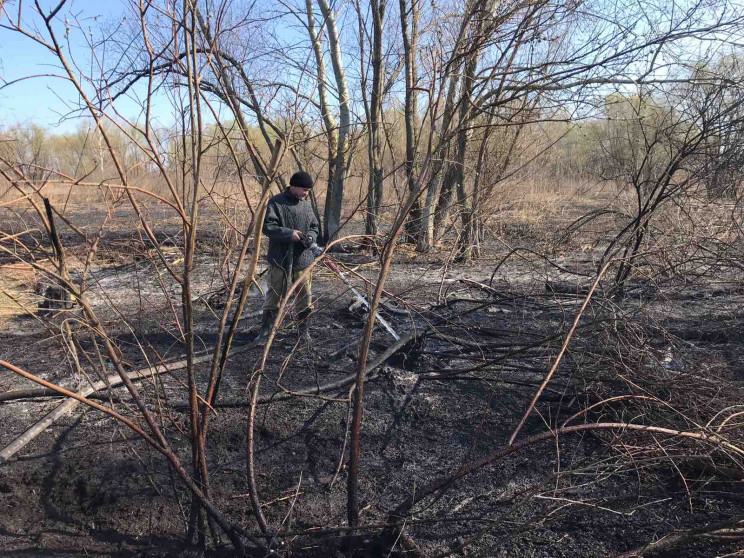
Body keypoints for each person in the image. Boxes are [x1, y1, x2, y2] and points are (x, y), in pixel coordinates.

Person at [256, 171, 321, 343]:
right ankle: (266, 331)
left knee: (305, 296)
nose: (306, 193)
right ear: (293, 185)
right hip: (279, 258)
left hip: (303, 259)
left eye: (308, 190)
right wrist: (288, 234)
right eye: (303, 189)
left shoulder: (306, 206)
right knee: (274, 296)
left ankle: (303, 332)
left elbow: (315, 227)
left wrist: (311, 237)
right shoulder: (275, 203)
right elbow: (267, 226)